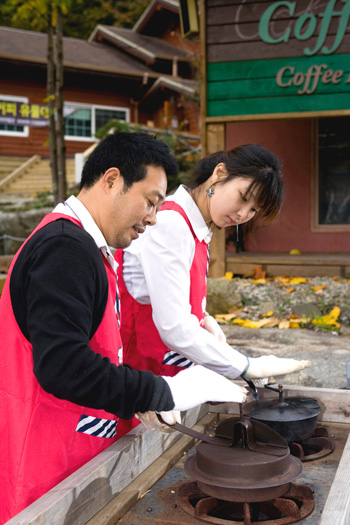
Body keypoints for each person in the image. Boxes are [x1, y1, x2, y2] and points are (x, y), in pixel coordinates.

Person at [0, 132, 248, 523]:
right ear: (111, 180)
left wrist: (138, 397)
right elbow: (63, 366)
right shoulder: (65, 249)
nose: (153, 218)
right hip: (47, 466)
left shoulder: (91, 247)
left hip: (80, 452)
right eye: (150, 202)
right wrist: (163, 390)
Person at [115, 144, 311, 423]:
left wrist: (204, 319)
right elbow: (174, 327)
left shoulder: (199, 227)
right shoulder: (171, 224)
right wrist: (244, 365)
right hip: (142, 375)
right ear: (220, 174)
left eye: (253, 209)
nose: (243, 214)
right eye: (243, 197)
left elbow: (169, 292)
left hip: (168, 373)